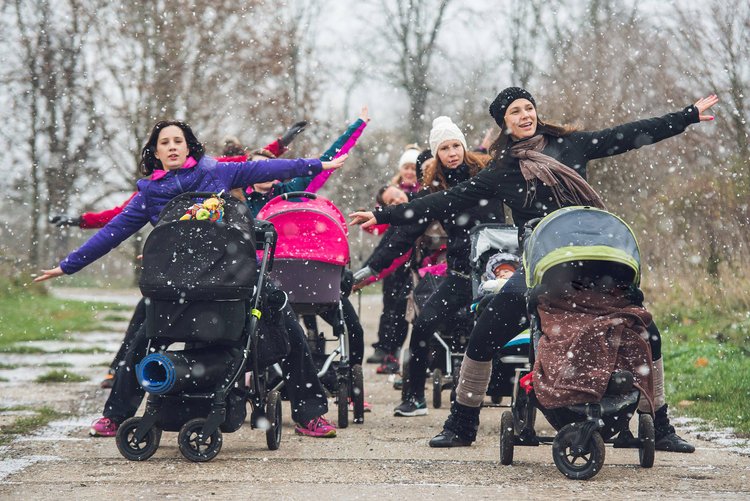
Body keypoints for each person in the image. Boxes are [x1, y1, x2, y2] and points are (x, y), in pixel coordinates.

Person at [350, 87, 719, 451]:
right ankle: (462, 423)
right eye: (515, 112)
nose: (525, 115)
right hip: (540, 269)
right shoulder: (503, 170)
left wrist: (686, 116)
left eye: (529, 107)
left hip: (592, 262)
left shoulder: (573, 145)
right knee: (484, 333)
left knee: (646, 332)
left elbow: (630, 134)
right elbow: (443, 200)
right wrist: (382, 214)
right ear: (504, 124)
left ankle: (662, 426)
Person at [35, 120, 348, 438]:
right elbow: (111, 233)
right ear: (155, 152)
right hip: (180, 281)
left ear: (188, 147)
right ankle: (115, 416)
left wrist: (317, 164)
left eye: (177, 141)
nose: (171, 146)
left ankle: (309, 414)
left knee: (286, 319)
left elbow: (269, 169)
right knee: (142, 339)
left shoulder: (217, 172)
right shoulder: (148, 194)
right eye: (164, 142)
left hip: (233, 273)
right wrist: (68, 266)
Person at [356, 115, 505, 417]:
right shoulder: (436, 190)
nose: (452, 152)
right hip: (462, 272)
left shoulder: (488, 175)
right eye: (444, 148)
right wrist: (370, 269)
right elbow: (406, 230)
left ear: (463, 146)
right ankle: (414, 398)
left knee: (498, 328)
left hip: (494, 269)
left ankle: (498, 387)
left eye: (455, 145)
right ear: (436, 155)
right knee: (423, 325)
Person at [364, 145, 422, 368]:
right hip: (394, 252)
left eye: (413, 167)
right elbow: (382, 228)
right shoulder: (392, 190)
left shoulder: (422, 193)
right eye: (406, 167)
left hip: (413, 255)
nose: (409, 172)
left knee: (405, 306)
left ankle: (398, 352)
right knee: (390, 303)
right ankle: (385, 347)